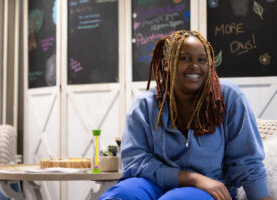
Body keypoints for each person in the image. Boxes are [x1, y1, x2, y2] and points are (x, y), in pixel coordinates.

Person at [99, 30, 271, 200]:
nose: (195, 65)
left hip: (210, 189)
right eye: (185, 58)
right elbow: (134, 162)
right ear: (167, 63)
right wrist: (193, 178)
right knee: (120, 195)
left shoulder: (228, 98)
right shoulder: (144, 105)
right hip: (151, 183)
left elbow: (247, 162)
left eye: (202, 59)